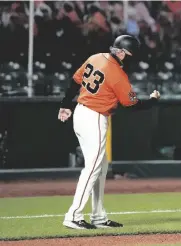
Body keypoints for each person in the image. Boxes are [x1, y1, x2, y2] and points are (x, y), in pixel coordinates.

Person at [58, 35, 161, 229]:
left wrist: (65, 105)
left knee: (101, 166)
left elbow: (74, 81)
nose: (132, 59)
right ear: (121, 52)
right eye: (130, 55)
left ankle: (98, 216)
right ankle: (73, 215)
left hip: (81, 112)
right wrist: (153, 101)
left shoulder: (96, 57)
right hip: (94, 117)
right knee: (93, 167)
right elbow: (132, 105)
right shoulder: (116, 73)